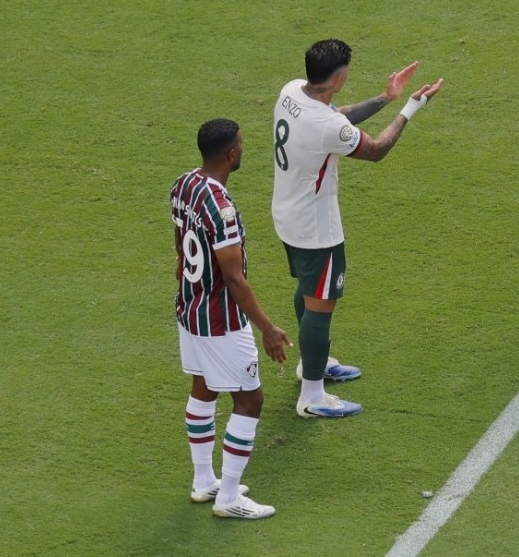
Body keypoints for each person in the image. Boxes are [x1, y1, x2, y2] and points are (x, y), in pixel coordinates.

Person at [272, 38, 444, 418]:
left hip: (286, 214)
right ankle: (312, 396)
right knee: (321, 303)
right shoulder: (325, 123)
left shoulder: (290, 91)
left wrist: (387, 97)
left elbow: (339, 117)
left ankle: (310, 363)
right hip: (317, 228)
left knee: (307, 287)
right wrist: (413, 106)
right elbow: (377, 149)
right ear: (337, 78)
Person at [172, 118, 291, 519]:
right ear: (231, 154)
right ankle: (228, 500)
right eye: (241, 143)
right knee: (250, 399)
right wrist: (268, 329)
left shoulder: (185, 183)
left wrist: (180, 261)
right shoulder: (221, 209)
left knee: (204, 387)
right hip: (220, 320)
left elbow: (179, 228)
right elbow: (235, 279)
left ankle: (204, 481)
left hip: (189, 309)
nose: (243, 148)